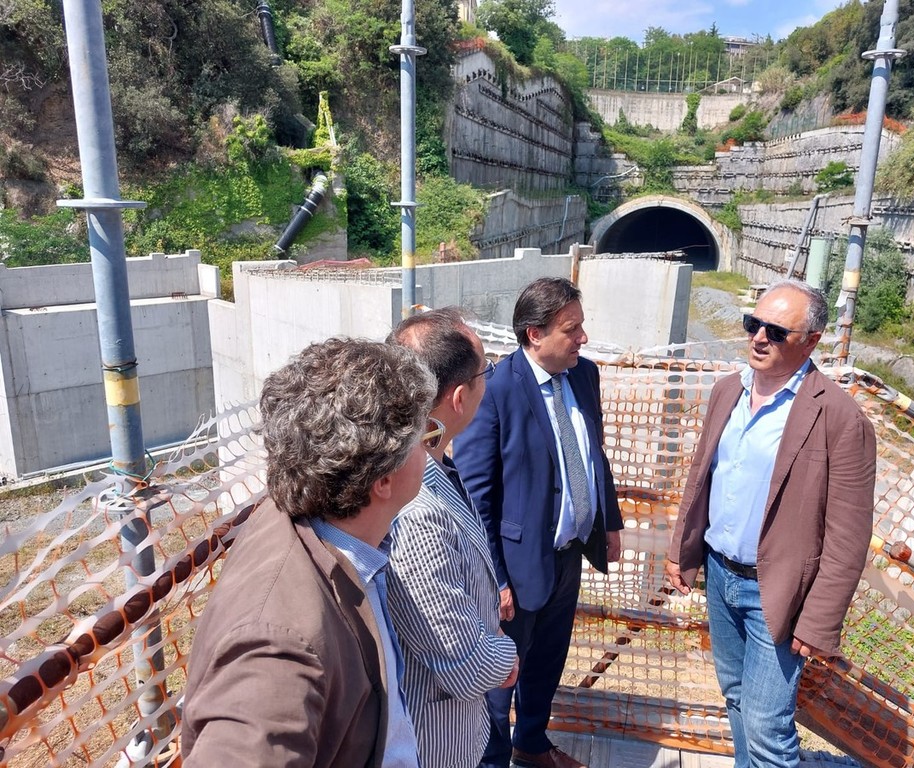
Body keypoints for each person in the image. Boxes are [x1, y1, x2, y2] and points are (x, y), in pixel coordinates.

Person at [182, 338, 436, 768]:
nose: (430, 449)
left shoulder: (307, 518)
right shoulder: (280, 646)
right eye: (423, 439)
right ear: (384, 480)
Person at [665, 279, 877, 768]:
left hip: (776, 591)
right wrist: (682, 550)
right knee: (737, 697)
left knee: (767, 726)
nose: (759, 338)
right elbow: (701, 478)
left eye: (777, 332)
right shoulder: (728, 391)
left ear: (812, 341)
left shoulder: (840, 419)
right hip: (720, 575)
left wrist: (819, 620)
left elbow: (848, 536)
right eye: (753, 324)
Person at [455, 277, 624, 768]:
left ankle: (530, 745)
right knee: (500, 678)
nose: (583, 338)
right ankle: (491, 760)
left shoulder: (584, 376)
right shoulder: (496, 389)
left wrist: (608, 522)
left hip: (568, 553)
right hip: (515, 566)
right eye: (572, 329)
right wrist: (496, 578)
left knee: (548, 661)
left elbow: (593, 455)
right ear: (535, 334)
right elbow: (476, 497)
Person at [385, 307, 520, 768]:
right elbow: (467, 667)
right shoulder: (418, 511)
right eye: (485, 371)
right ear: (459, 397)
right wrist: (506, 654)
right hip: (433, 746)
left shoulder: (432, 465)